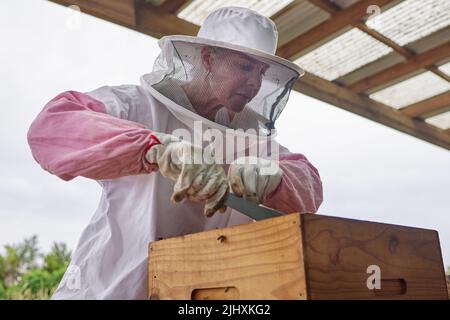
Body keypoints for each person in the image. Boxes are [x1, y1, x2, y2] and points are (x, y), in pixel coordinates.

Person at [27, 6, 323, 299]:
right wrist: (156, 146)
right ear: (208, 58)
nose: (255, 84)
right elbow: (52, 126)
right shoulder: (136, 105)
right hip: (108, 290)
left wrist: (278, 177)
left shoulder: (251, 137)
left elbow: (308, 183)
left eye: (261, 72)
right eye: (245, 67)